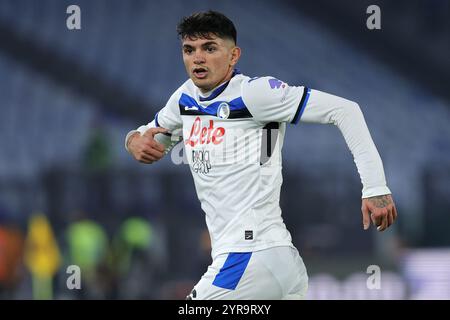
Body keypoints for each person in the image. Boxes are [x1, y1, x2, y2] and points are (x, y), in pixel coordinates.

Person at [125, 10, 397, 300]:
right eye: (189, 50)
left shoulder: (255, 94)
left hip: (251, 255)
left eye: (210, 48)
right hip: (272, 260)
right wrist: (132, 142)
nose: (198, 58)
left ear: (234, 55)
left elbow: (345, 110)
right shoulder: (184, 99)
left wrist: (375, 187)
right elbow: (148, 135)